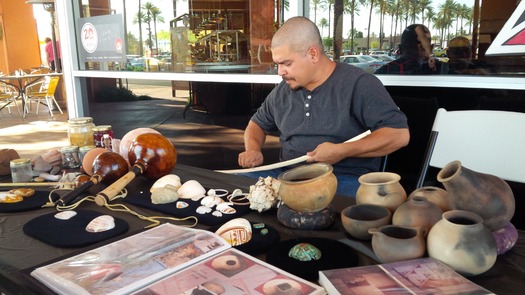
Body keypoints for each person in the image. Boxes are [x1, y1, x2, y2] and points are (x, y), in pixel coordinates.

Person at [236, 16, 410, 197]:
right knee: (236, 187)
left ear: (313, 54)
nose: (280, 72)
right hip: (287, 177)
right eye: (277, 64)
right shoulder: (283, 90)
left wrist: (341, 151)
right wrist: (253, 149)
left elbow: (398, 135)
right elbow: (256, 124)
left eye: (286, 63)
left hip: (343, 179)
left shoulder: (359, 84)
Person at [375, 24, 447, 75]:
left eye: (422, 47)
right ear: (431, 47)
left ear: (400, 49)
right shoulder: (443, 69)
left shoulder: (385, 71)